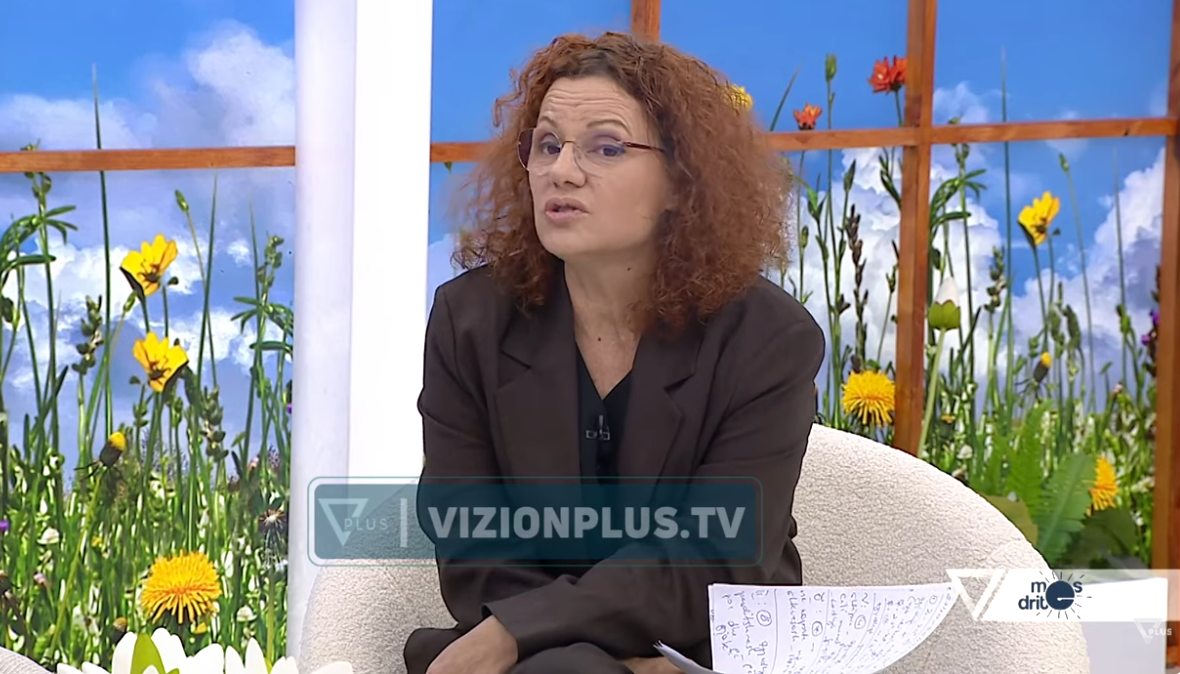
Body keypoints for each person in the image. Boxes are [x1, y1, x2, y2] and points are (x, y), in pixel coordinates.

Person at [407, 31, 825, 674]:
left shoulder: (768, 339)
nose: (562, 171)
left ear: (682, 182)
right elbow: (470, 541)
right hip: (531, 657)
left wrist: (525, 632)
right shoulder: (469, 322)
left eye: (605, 147)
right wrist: (573, 651)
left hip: (703, 646)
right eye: (548, 145)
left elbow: (715, 557)